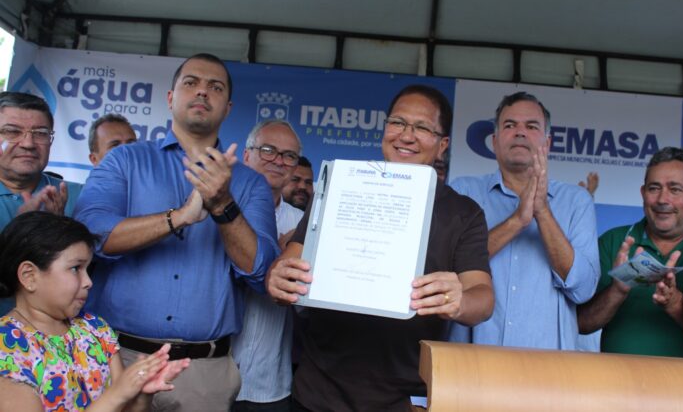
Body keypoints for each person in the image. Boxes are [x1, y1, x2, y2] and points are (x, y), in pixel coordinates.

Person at [267, 84, 493, 411]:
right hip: (318, 392)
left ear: (442, 145)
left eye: (422, 127)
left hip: (403, 400)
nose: (406, 135)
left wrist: (459, 302)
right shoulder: (340, 188)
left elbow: (482, 297)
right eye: (398, 123)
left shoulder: (463, 213)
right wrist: (277, 278)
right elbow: (287, 266)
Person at [74, 53, 279, 411]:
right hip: (116, 359)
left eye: (215, 87)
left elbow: (260, 271)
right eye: (191, 83)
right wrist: (180, 216)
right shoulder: (125, 161)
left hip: (203, 374)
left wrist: (222, 205)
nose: (202, 93)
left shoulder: (250, 184)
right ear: (171, 99)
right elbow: (93, 237)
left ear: (228, 107)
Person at [449, 91, 599, 350]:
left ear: (547, 143)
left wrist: (542, 212)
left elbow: (583, 289)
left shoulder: (576, 200)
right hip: (470, 366)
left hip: (549, 371)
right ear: (494, 142)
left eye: (531, 126)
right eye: (510, 125)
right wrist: (517, 221)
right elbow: (448, 268)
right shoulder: (464, 191)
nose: (520, 132)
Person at [0, 211, 190, 411]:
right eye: (75, 268)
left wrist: (142, 392)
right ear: (29, 276)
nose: (89, 282)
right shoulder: (8, 348)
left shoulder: (94, 329)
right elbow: (117, 398)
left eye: (87, 269)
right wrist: (117, 394)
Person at [577, 147, 683, 360]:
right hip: (619, 384)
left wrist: (674, 303)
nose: (662, 199)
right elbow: (582, 323)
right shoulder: (613, 241)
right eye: (654, 188)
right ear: (642, 193)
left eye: (675, 189)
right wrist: (618, 290)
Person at [232, 119, 305, 412]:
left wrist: (294, 252)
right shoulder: (216, 210)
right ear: (246, 155)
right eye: (268, 150)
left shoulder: (303, 226)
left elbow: (304, 305)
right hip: (207, 374)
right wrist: (278, 251)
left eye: (289, 155)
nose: (278, 160)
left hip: (270, 384)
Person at [0, 91, 83, 315]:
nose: (28, 143)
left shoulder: (78, 196)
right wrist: (24, 232)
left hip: (54, 343)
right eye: (12, 132)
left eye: (40, 133)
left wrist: (60, 231)